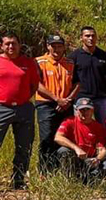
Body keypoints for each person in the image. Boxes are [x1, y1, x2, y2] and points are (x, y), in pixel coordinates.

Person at [1, 32, 40, 188]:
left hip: (24, 108)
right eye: (7, 44)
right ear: (2, 46)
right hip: (2, 107)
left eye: (14, 43)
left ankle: (18, 179)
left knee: (24, 146)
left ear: (19, 45)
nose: (11, 46)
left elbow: (34, 86)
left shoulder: (28, 63)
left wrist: (22, 99)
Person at [35, 34, 78, 173]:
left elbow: (78, 83)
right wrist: (56, 98)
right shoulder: (39, 62)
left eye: (60, 46)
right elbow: (36, 84)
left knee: (65, 137)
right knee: (47, 138)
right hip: (46, 104)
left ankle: (64, 169)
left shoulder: (70, 63)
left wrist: (68, 100)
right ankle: (45, 171)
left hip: (66, 105)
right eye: (54, 46)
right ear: (48, 46)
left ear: (64, 47)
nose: (57, 49)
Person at [54, 98, 106, 179]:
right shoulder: (69, 121)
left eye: (87, 109)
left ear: (92, 110)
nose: (85, 112)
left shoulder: (98, 127)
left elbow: (102, 149)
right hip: (75, 158)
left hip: (90, 160)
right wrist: (76, 148)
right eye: (82, 110)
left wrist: (97, 159)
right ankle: (70, 178)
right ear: (77, 110)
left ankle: (88, 179)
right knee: (63, 151)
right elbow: (58, 137)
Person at [69, 26, 106, 121]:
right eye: (87, 36)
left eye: (93, 36)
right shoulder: (74, 56)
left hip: (102, 97)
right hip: (81, 97)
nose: (91, 38)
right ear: (81, 38)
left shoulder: (104, 55)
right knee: (81, 126)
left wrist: (101, 86)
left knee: (104, 126)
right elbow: (69, 78)